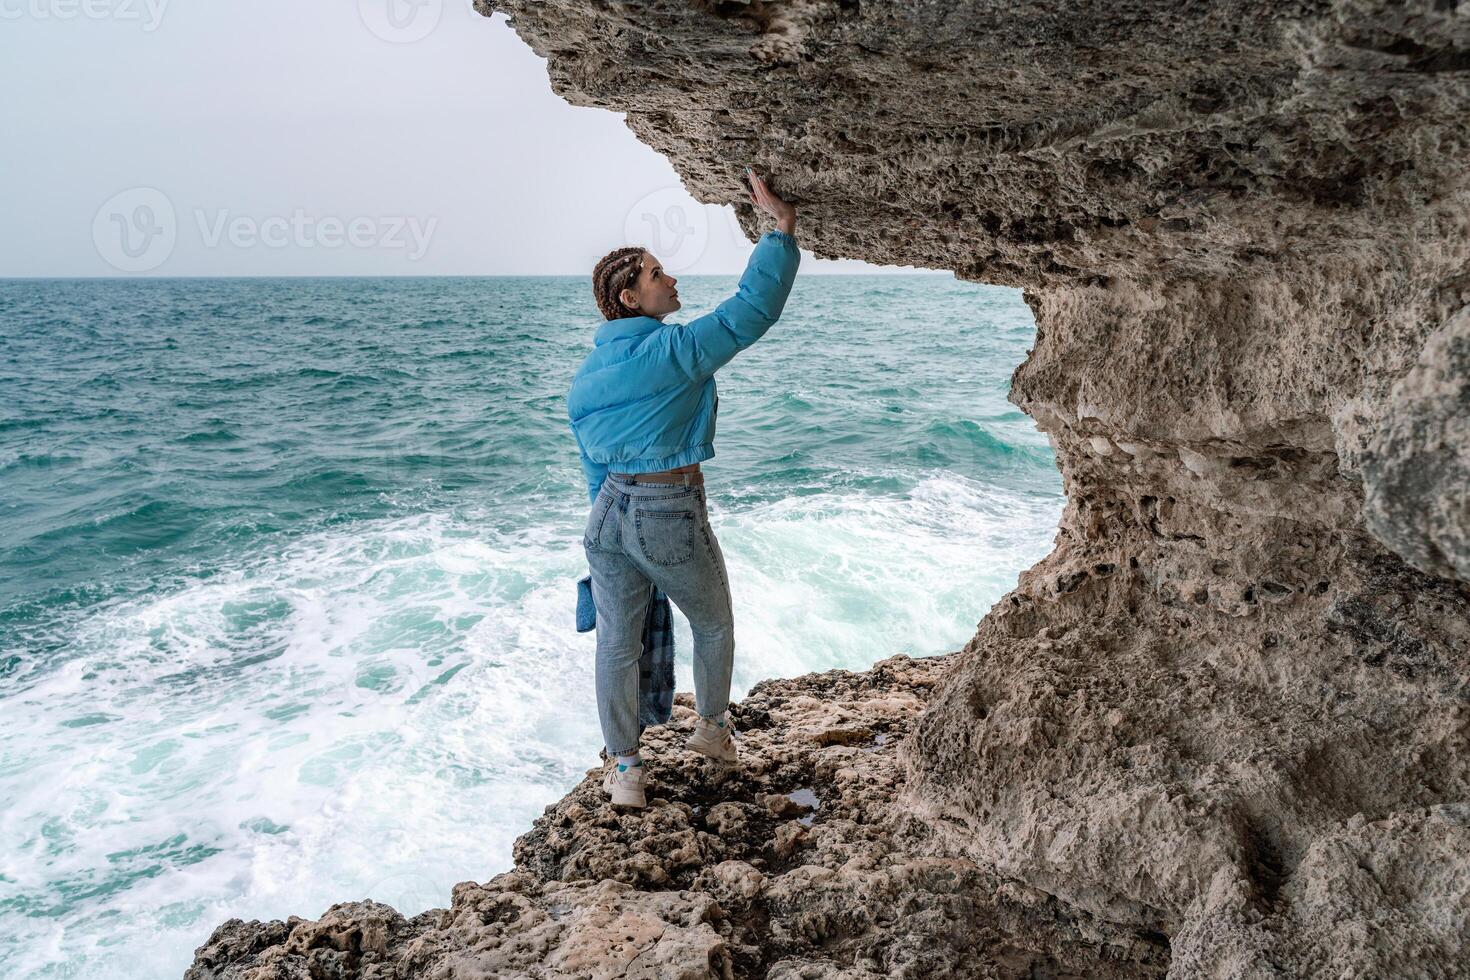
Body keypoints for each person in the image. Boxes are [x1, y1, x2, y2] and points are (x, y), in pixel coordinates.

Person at [569, 168, 800, 808]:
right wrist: (778, 232)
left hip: (608, 515)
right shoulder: (671, 352)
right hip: (667, 509)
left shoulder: (586, 378)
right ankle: (713, 733)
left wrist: (609, 535)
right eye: (656, 274)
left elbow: (594, 470)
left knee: (617, 644)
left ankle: (625, 772)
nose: (671, 281)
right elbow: (750, 312)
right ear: (628, 299)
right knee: (714, 622)